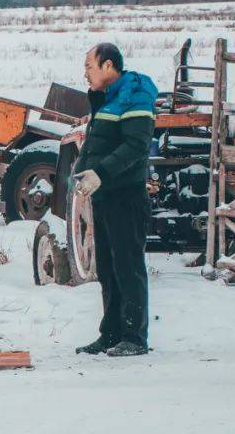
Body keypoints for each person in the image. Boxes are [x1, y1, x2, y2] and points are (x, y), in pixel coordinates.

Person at [72, 42, 157, 357]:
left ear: (109, 66)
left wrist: (101, 174)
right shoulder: (106, 99)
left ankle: (134, 336)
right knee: (107, 267)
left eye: (89, 67)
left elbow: (135, 146)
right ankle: (111, 333)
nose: (85, 74)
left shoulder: (134, 96)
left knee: (127, 265)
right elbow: (98, 143)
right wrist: (82, 173)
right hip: (104, 195)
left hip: (126, 194)